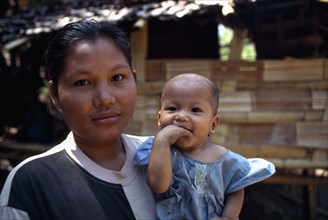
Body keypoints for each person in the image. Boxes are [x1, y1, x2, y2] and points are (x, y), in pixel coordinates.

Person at [0, 19, 156, 219]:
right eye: (82, 82)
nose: (105, 99)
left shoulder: (165, 159)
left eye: (117, 78)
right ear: (55, 94)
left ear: (134, 79)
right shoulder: (32, 183)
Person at [134, 73, 276, 220]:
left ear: (212, 124)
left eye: (195, 110)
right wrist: (162, 141)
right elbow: (158, 186)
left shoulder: (221, 157)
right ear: (159, 119)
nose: (181, 116)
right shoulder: (158, 149)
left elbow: (235, 188)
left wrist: (228, 217)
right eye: (172, 108)